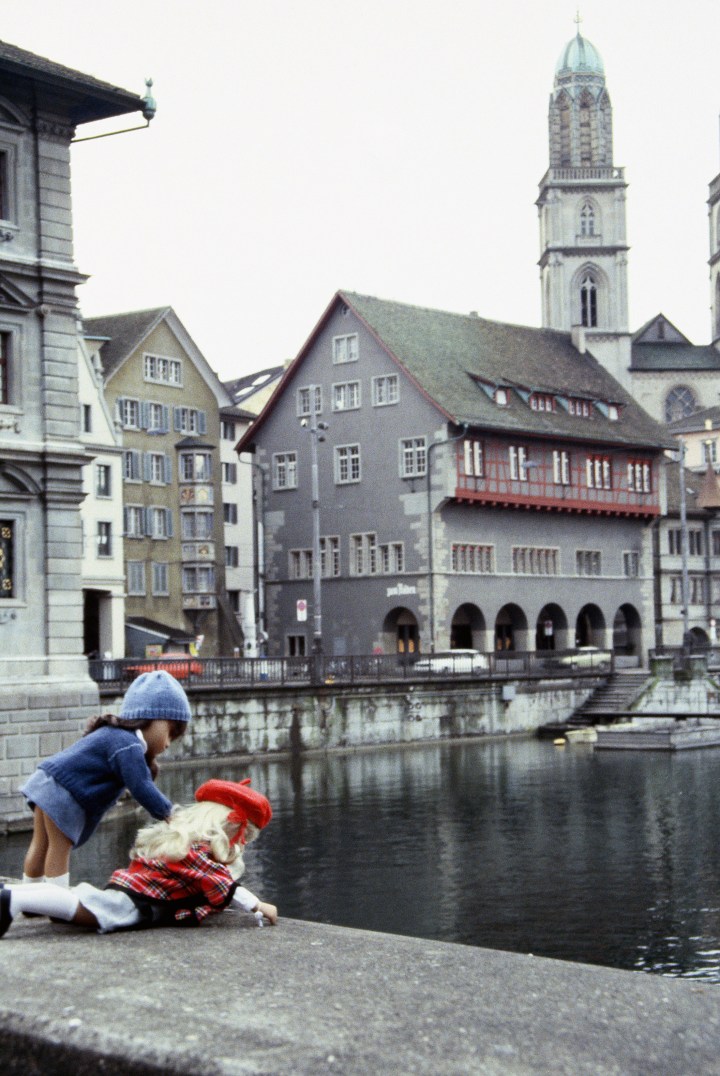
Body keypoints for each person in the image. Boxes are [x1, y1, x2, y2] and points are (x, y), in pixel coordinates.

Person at [0, 778, 277, 936]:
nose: (241, 846)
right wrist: (256, 905)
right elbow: (222, 885)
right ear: (229, 831)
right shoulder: (199, 853)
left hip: (134, 892)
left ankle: (13, 895)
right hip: (137, 901)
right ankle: (14, 898)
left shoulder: (185, 843)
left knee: (80, 908)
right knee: (86, 908)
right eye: (243, 839)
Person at [18, 669, 192, 888]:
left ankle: (28, 896)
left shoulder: (114, 735)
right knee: (59, 847)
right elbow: (141, 786)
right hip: (62, 793)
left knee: (40, 844)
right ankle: (56, 901)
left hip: (45, 781)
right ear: (151, 717)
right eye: (170, 732)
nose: (167, 743)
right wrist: (170, 813)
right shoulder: (127, 744)